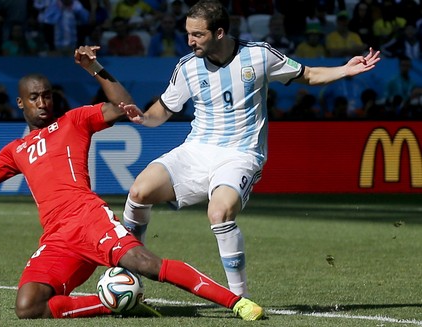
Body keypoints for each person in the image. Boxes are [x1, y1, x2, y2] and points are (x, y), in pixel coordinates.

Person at [0, 45, 265, 321]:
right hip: (57, 237)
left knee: (144, 262)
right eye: (34, 97)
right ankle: (111, 304)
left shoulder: (75, 120)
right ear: (21, 104)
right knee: (28, 307)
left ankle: (235, 303)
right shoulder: (16, 150)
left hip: (88, 217)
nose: (43, 102)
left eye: (47, 95)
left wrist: (95, 70)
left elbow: (124, 107)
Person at [117, 0, 381, 298]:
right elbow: (163, 110)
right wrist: (143, 117)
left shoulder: (258, 56)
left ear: (219, 32)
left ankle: (238, 298)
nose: (189, 41)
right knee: (139, 192)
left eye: (197, 35)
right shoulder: (187, 67)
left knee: (219, 213)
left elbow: (306, 74)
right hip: (197, 150)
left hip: (241, 154)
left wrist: (344, 70)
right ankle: (128, 269)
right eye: (188, 33)